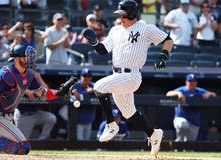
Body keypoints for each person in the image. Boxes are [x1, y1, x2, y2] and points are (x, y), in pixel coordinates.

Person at [82, 0, 173, 156]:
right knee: (129, 113)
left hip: (131, 75)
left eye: (123, 14)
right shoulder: (116, 30)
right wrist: (94, 42)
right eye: (120, 15)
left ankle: (111, 124)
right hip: (118, 75)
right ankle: (153, 134)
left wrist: (163, 57)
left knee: (98, 87)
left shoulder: (145, 28)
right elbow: (103, 51)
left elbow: (168, 40)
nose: (121, 18)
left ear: (131, 14)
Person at [0, 44, 77, 154]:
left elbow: (43, 94)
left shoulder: (29, 74)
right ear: (16, 59)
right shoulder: (6, 73)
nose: (30, 59)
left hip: (7, 117)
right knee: (23, 147)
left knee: (9, 148)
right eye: (27, 57)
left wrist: (59, 93)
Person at [166, 73, 217, 142]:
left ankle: (183, 146)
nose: (192, 83)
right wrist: (178, 93)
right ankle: (178, 143)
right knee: (182, 125)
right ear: (186, 82)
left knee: (190, 144)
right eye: (190, 81)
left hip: (194, 122)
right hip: (181, 118)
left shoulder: (199, 91)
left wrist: (209, 93)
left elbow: (214, 95)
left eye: (194, 81)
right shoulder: (182, 90)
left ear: (196, 82)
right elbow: (168, 94)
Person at [14, 68, 57, 140]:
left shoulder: (35, 81)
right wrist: (26, 91)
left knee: (51, 118)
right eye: (30, 68)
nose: (32, 70)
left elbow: (47, 91)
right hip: (23, 115)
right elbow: (15, 86)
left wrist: (39, 78)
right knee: (21, 141)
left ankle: (41, 141)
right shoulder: (20, 77)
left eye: (34, 68)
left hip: (36, 114)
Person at [71, 68, 96, 140]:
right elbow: (71, 96)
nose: (86, 78)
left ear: (91, 78)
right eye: (84, 76)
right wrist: (86, 92)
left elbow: (103, 90)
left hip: (89, 119)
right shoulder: (76, 85)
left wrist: (95, 90)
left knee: (86, 142)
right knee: (79, 142)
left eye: (88, 76)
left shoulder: (93, 85)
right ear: (81, 76)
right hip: (77, 120)